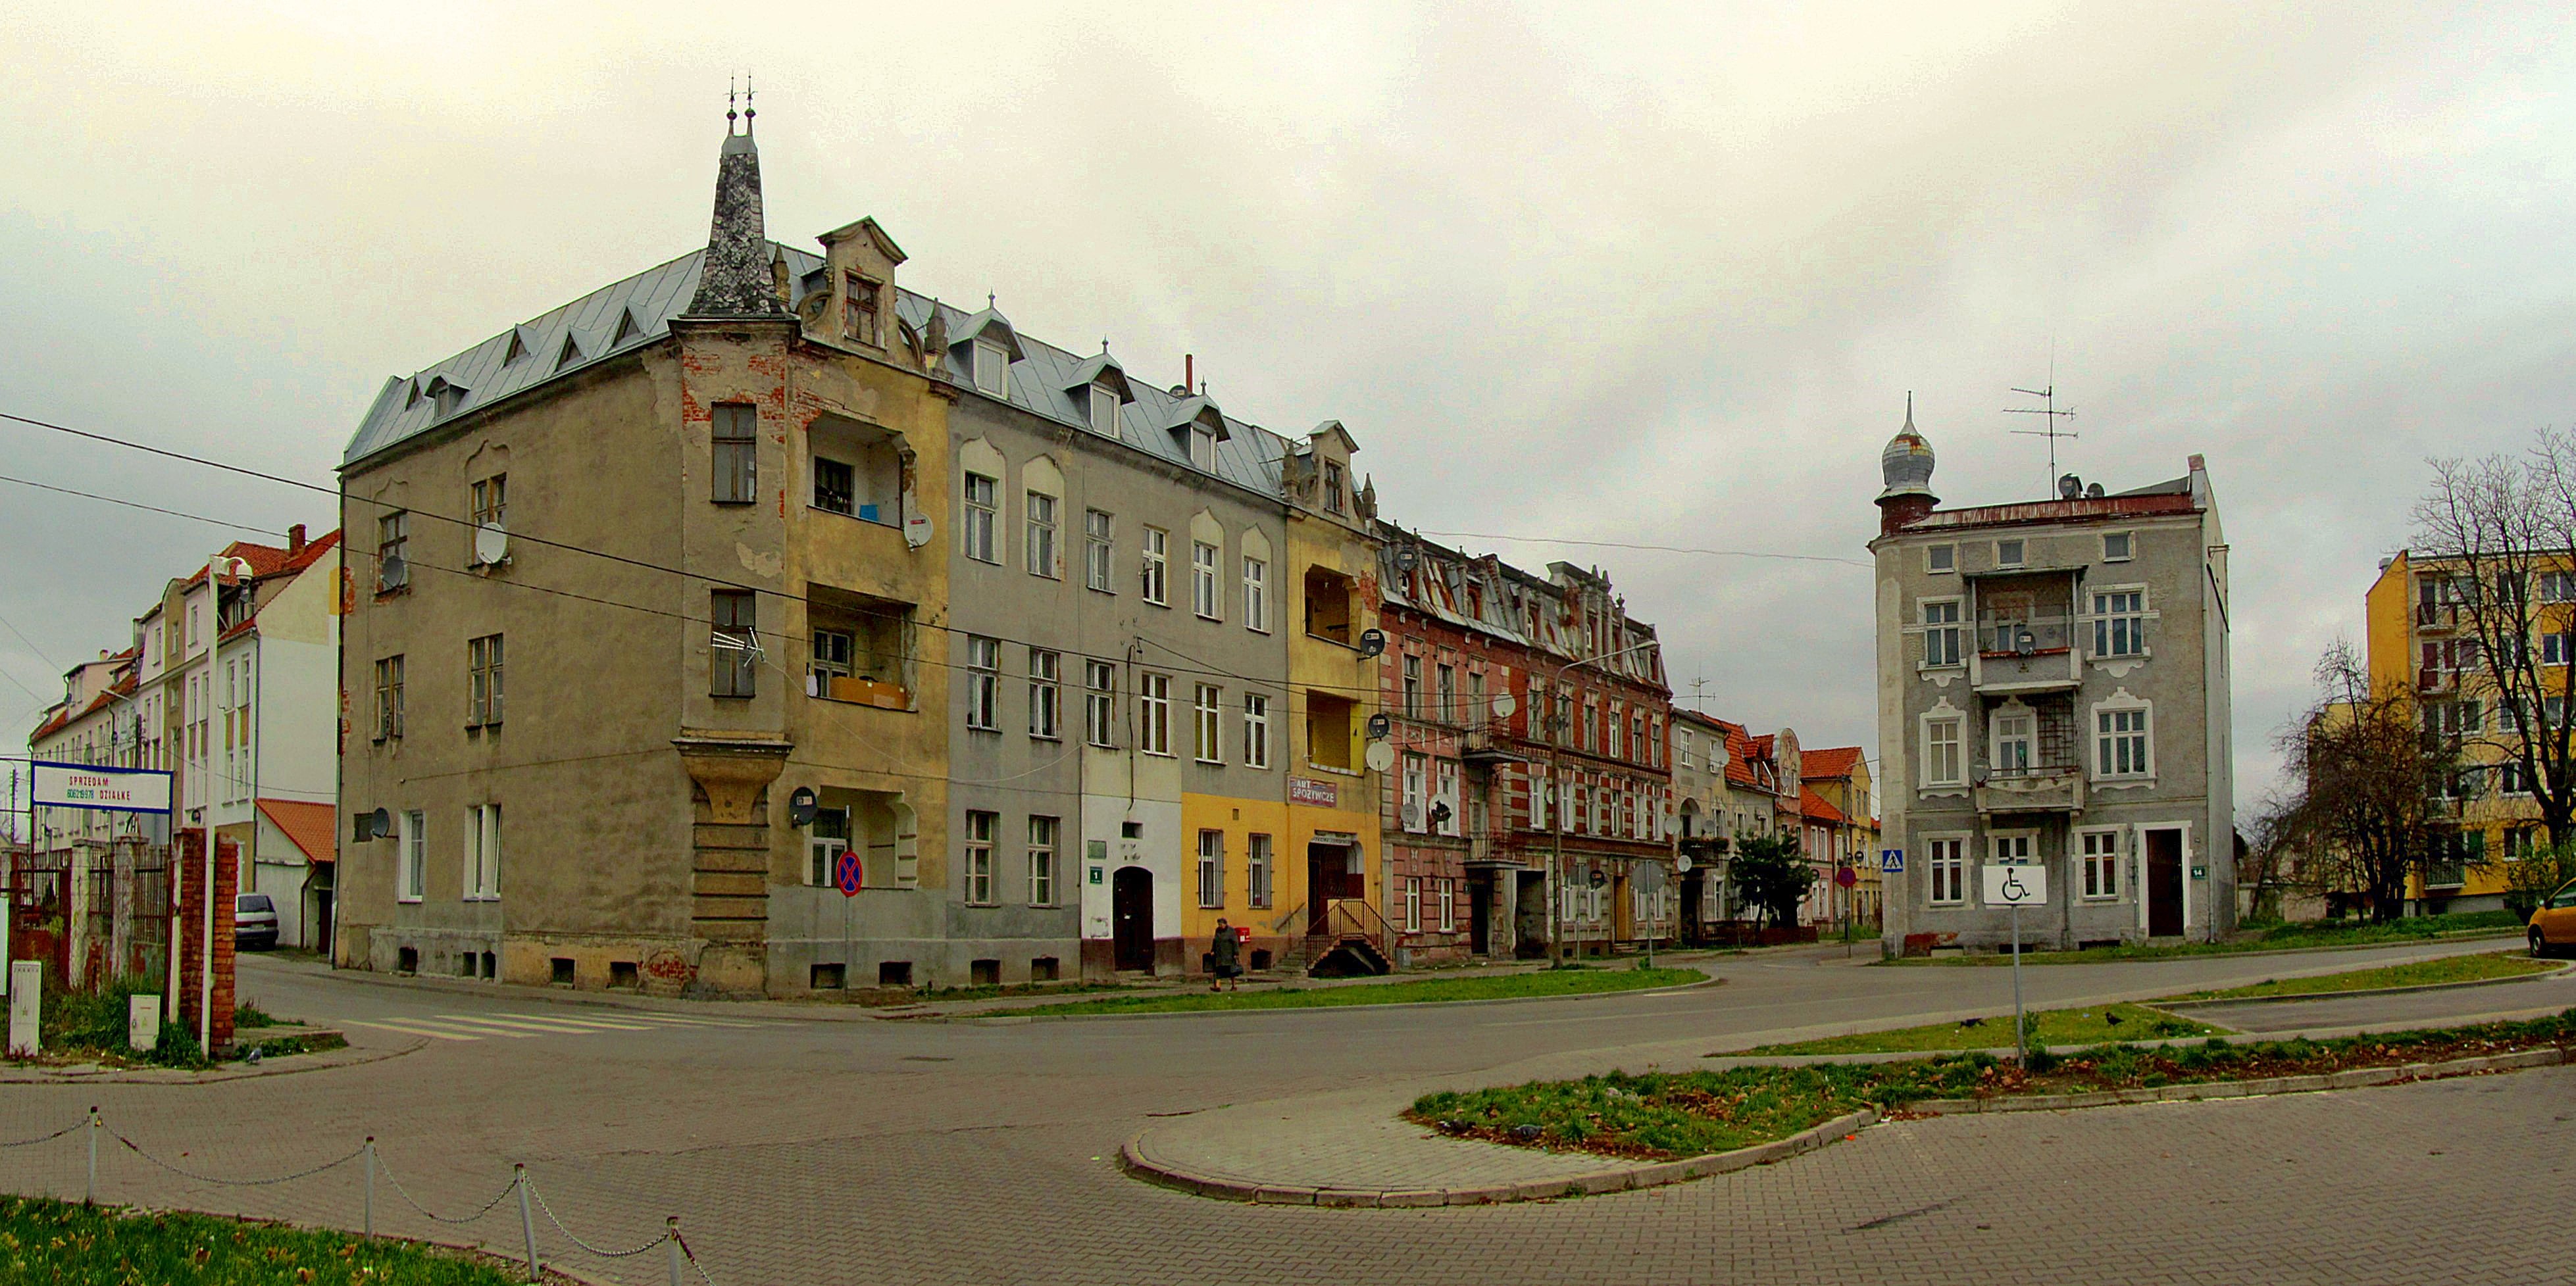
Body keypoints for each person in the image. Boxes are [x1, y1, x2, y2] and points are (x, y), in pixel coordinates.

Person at [1210, 918, 1241, 991]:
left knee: (1231, 971)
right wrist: (1213, 950)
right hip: (1220, 955)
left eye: (1221, 924)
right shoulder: (1218, 931)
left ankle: (1234, 986)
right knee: (1218, 970)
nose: (1220, 926)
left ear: (1225, 924)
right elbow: (1215, 941)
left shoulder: (1231, 931)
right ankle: (1218, 987)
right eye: (1219, 924)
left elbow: (1235, 942)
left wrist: (1236, 953)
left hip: (1229, 954)